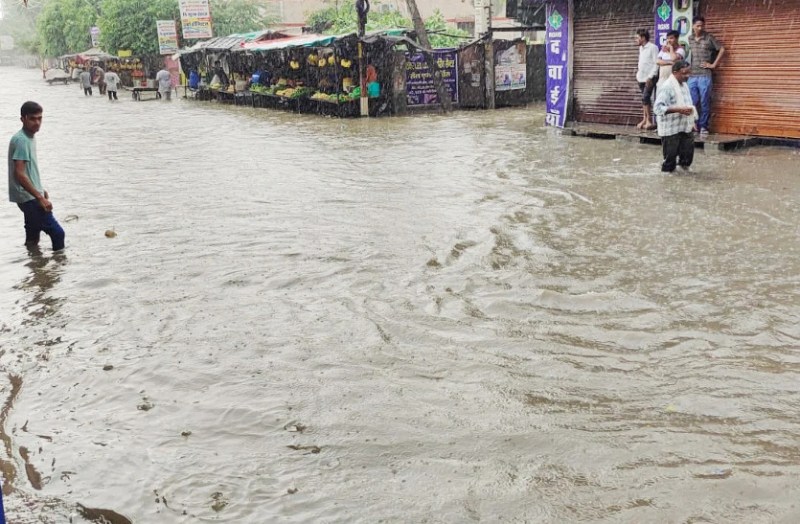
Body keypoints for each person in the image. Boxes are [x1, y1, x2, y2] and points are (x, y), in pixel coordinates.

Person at [7, 101, 65, 252]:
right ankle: (57, 271)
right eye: (33, 118)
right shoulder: (22, 140)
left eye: (40, 118)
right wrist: (39, 197)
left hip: (28, 195)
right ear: (23, 119)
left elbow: (28, 170)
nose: (37, 122)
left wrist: (40, 189)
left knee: (33, 237)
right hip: (29, 198)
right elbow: (19, 173)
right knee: (58, 233)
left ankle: (35, 269)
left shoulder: (28, 137)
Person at [653, 60, 698, 173]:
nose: (687, 76)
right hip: (671, 129)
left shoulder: (684, 85)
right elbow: (657, 108)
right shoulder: (667, 87)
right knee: (670, 162)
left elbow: (689, 104)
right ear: (674, 72)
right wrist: (678, 110)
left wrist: (693, 122)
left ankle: (684, 183)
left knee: (687, 159)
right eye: (684, 73)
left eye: (688, 73)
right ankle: (667, 185)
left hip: (685, 126)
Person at [686, 16, 725, 136]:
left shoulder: (709, 38)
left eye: (702, 25)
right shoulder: (690, 38)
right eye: (698, 25)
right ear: (693, 26)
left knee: (704, 101)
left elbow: (722, 49)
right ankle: (693, 125)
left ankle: (704, 126)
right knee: (692, 101)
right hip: (692, 75)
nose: (700, 28)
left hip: (705, 75)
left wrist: (713, 65)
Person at [635, 29, 659, 131]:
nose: (635, 40)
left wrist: (650, 76)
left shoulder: (653, 47)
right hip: (641, 78)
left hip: (650, 78)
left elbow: (656, 63)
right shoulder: (641, 48)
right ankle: (645, 119)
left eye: (637, 38)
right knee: (645, 99)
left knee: (645, 97)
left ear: (643, 38)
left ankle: (649, 120)